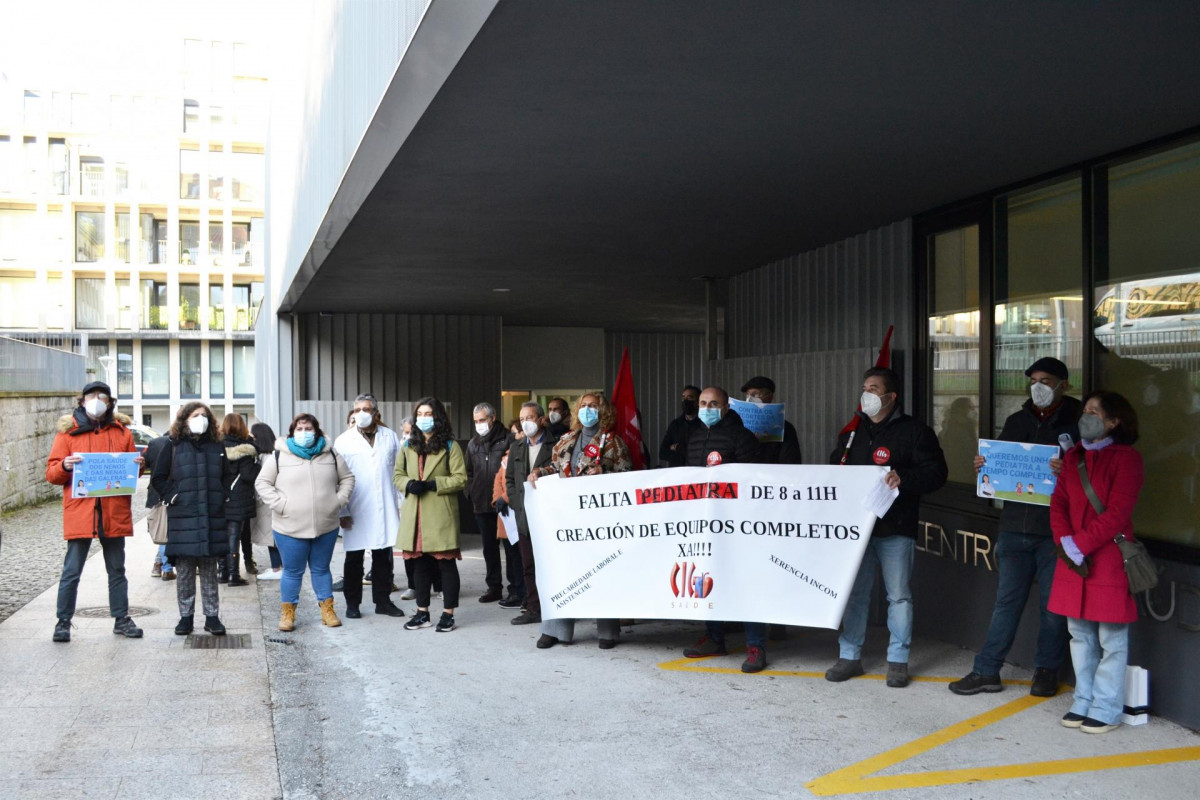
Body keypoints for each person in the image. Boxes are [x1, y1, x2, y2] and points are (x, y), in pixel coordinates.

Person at [949, 357, 1080, 697]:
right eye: (1033, 380)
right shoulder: (1016, 420)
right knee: (1006, 604)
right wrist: (984, 465)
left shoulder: (1078, 422)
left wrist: (1067, 470)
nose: (1038, 386)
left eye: (1046, 380)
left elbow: (1091, 474)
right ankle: (987, 671)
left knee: (1053, 608)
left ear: (1064, 384)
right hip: (1013, 527)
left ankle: (1046, 672)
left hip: (1056, 532)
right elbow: (1001, 469)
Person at [825, 368, 948, 688]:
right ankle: (849, 656)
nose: (866, 393)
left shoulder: (915, 432)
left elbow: (937, 474)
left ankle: (898, 660)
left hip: (896, 527)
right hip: (857, 532)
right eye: (864, 387)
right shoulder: (852, 433)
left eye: (874, 388)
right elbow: (835, 470)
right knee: (855, 595)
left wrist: (903, 479)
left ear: (891, 396)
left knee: (899, 597)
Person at [1050, 390, 1143, 734]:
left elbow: (1118, 513)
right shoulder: (1074, 455)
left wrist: (1079, 544)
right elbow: (1058, 502)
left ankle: (1106, 707)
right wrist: (1065, 543)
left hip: (1108, 559)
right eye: (1085, 410)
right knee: (1080, 634)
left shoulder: (1127, 459)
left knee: (1111, 638)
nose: (1085, 415)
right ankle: (1083, 700)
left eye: (1094, 412)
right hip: (1074, 558)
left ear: (1114, 421)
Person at [528, 392, 632, 648]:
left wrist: (605, 472)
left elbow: (629, 477)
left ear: (603, 410)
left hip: (600, 522)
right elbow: (555, 468)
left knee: (600, 571)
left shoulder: (614, 442)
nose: (587, 410)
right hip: (567, 519)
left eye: (593, 406)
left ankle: (607, 631)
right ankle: (556, 629)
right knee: (563, 571)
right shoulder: (566, 439)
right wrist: (538, 472)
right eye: (583, 406)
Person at [45, 380, 144, 642]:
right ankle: (63, 622)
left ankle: (121, 618)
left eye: (103, 396)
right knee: (71, 570)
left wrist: (137, 465)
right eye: (92, 396)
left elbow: (132, 471)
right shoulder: (67, 434)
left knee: (117, 569)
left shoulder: (122, 432)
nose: (97, 400)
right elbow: (52, 474)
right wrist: (65, 465)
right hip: (81, 512)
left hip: (112, 512)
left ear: (110, 403)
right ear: (82, 401)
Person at [679, 386, 766, 670]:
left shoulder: (741, 437)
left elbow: (752, 480)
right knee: (707, 579)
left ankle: (755, 645)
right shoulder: (693, 438)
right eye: (703, 402)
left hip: (738, 525)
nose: (706, 407)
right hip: (705, 523)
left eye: (713, 403)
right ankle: (715, 638)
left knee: (747, 581)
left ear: (727, 407)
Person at [256, 413, 355, 631]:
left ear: (317, 431)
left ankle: (327, 610)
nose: (304, 433)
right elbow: (262, 483)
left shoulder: (331, 454)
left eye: (308, 428)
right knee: (292, 571)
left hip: (326, 525)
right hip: (289, 526)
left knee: (321, 569)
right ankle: (287, 614)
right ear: (291, 432)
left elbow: (347, 478)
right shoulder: (279, 455)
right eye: (299, 429)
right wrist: (281, 505)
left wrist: (337, 501)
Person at [152, 402, 230, 636]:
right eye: (196, 415)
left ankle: (212, 617)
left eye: (205, 415)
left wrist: (221, 497)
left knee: (209, 570)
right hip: (183, 517)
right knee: (185, 571)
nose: (201, 419)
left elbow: (226, 476)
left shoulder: (217, 445)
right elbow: (158, 478)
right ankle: (185, 617)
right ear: (185, 419)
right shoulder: (172, 445)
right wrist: (174, 496)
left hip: (211, 516)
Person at [393, 397, 468, 632]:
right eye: (420, 414)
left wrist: (436, 484)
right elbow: (397, 475)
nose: (424, 419)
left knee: (446, 565)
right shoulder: (408, 445)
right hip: (415, 515)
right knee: (420, 566)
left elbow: (461, 478)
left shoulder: (450, 446)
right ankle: (422, 612)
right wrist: (408, 483)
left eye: (428, 414)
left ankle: (448, 614)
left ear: (438, 417)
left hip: (439, 513)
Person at [334, 393, 406, 619]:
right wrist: (342, 512)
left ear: (376, 413)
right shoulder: (343, 441)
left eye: (366, 409)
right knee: (354, 558)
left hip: (385, 505)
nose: (361, 414)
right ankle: (352, 604)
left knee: (383, 557)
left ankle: (383, 602)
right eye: (357, 410)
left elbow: (397, 471)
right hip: (355, 508)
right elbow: (337, 479)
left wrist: (401, 506)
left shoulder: (390, 437)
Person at [503, 402, 559, 626]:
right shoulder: (517, 447)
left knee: (552, 563)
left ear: (542, 420)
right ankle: (533, 607)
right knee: (528, 564)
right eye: (522, 418)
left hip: (550, 516)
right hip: (525, 516)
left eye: (530, 417)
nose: (526, 423)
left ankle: (556, 607)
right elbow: (509, 480)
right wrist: (518, 503)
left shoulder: (556, 445)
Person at [468, 402, 523, 606]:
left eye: (482, 420)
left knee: (510, 548)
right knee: (489, 548)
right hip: (482, 503)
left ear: (492, 418)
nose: (479, 425)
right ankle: (494, 587)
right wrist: (471, 492)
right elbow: (469, 472)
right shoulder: (474, 443)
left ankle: (515, 589)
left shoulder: (509, 439)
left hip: (505, 503)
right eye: (476, 421)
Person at [219, 413, 260, 588]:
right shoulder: (246, 449)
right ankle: (234, 575)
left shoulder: (216, 447)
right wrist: (257, 465)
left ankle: (222, 572)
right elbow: (248, 475)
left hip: (220, 497)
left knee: (222, 536)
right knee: (234, 536)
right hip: (239, 498)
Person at [740, 376, 802, 464]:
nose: (749, 398)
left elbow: (790, 460)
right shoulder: (738, 426)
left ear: (770, 396)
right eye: (747, 394)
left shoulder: (785, 428)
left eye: (755, 394)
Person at [250, 422, 283, 580]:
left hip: (266, 502)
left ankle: (277, 568)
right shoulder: (277, 454)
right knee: (274, 536)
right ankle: (278, 567)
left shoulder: (264, 458)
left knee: (272, 537)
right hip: (274, 500)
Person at [144, 432, 176, 581]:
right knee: (167, 531)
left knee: (163, 529)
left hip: (156, 491)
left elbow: (146, 464)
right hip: (171, 491)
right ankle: (166, 568)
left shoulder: (154, 443)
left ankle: (158, 564)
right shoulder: (178, 444)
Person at [659, 385, 701, 468]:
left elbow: (699, 453)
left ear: (698, 402)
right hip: (677, 473)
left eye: (689, 398)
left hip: (697, 472)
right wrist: (682, 457)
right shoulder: (675, 424)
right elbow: (662, 452)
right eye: (683, 397)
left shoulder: (704, 424)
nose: (685, 401)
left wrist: (676, 447)